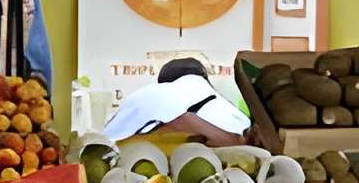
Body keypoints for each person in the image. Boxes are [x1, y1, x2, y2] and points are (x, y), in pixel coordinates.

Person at [104, 56, 250, 144]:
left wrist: (226, 139)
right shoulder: (223, 104)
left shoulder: (164, 91)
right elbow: (179, 116)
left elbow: (180, 117)